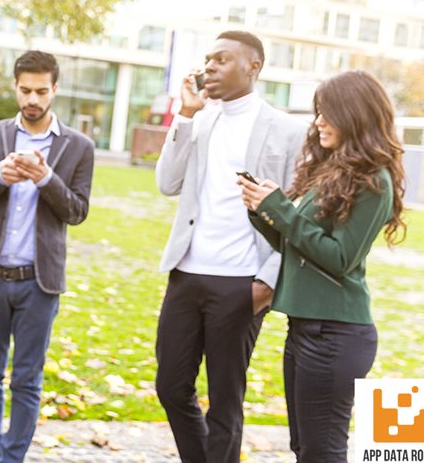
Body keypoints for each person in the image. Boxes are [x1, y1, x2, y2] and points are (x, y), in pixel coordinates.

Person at [154, 31, 307, 463]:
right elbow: (167, 183)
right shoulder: (199, 121)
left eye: (222, 59)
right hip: (186, 274)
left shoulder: (287, 130)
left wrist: (269, 280)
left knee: (225, 400)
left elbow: (299, 211)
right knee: (171, 386)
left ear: (253, 67)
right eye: (207, 59)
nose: (210, 67)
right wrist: (183, 116)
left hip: (242, 283)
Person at [239, 70, 405, 462]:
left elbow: (340, 259)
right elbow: (299, 247)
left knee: (323, 451)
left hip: (335, 334)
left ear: (354, 114)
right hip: (304, 327)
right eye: (317, 112)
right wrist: (262, 212)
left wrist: (279, 208)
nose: (318, 121)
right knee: (305, 448)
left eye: (326, 112)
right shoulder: (331, 173)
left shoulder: (373, 181)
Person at [0, 50, 95, 463]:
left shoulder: (79, 146)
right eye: (25, 90)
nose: (32, 99)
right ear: (15, 88)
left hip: (40, 282)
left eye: (41, 91)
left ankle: (11, 456)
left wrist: (46, 179)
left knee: (26, 378)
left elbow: (77, 212)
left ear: (55, 89)